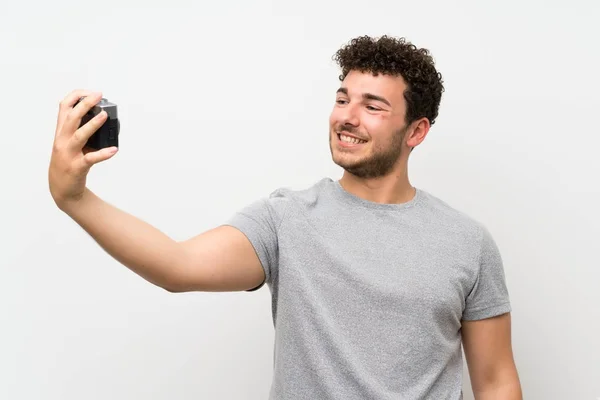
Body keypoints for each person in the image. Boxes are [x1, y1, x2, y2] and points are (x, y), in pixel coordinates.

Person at [48, 35, 522, 399]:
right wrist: (75, 199)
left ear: (416, 130)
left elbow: (496, 380)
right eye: (342, 99)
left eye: (372, 106)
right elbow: (178, 266)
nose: (347, 117)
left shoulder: (467, 242)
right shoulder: (287, 220)